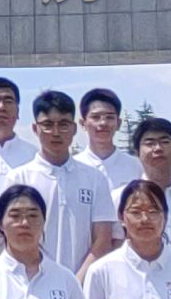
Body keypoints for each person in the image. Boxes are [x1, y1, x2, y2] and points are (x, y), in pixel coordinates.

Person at [9, 89, 117, 281]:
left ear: (74, 129)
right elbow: (12, 238)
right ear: (35, 128)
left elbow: (102, 239)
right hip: (33, 283)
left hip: (84, 284)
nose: (56, 132)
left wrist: (77, 282)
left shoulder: (94, 178)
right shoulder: (19, 178)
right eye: (47, 125)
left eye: (64, 124)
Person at [0, 185, 87, 299]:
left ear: (44, 222)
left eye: (33, 215)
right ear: (0, 223)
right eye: (15, 216)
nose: (25, 223)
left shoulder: (66, 280)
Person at [75, 88, 139, 192]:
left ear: (118, 123)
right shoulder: (72, 168)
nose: (103, 123)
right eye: (96, 117)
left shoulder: (136, 167)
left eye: (109, 117)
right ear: (83, 124)